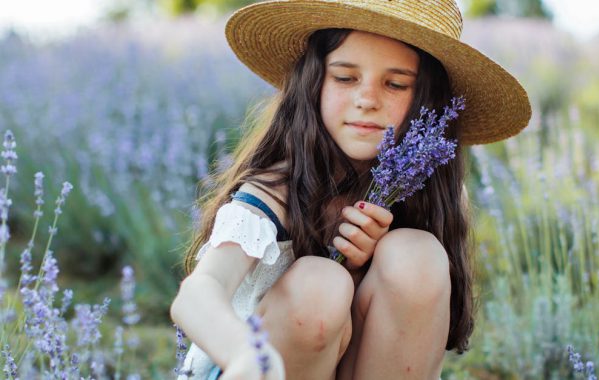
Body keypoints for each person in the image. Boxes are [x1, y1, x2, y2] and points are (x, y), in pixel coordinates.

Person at [170, 1, 531, 379]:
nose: (367, 99)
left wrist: (363, 272)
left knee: (416, 256)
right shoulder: (276, 190)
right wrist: (248, 355)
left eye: (395, 84)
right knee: (320, 284)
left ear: (428, 100)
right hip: (249, 369)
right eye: (345, 78)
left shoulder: (427, 198)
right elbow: (197, 293)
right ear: (314, 83)